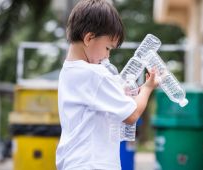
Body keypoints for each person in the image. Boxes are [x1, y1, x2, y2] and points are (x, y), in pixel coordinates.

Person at [55, 0, 158, 169]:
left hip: (74, 162)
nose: (107, 57)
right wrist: (147, 88)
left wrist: (128, 93)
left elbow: (100, 102)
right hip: (94, 164)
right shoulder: (95, 74)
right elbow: (132, 115)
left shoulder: (69, 71)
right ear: (89, 38)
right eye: (108, 48)